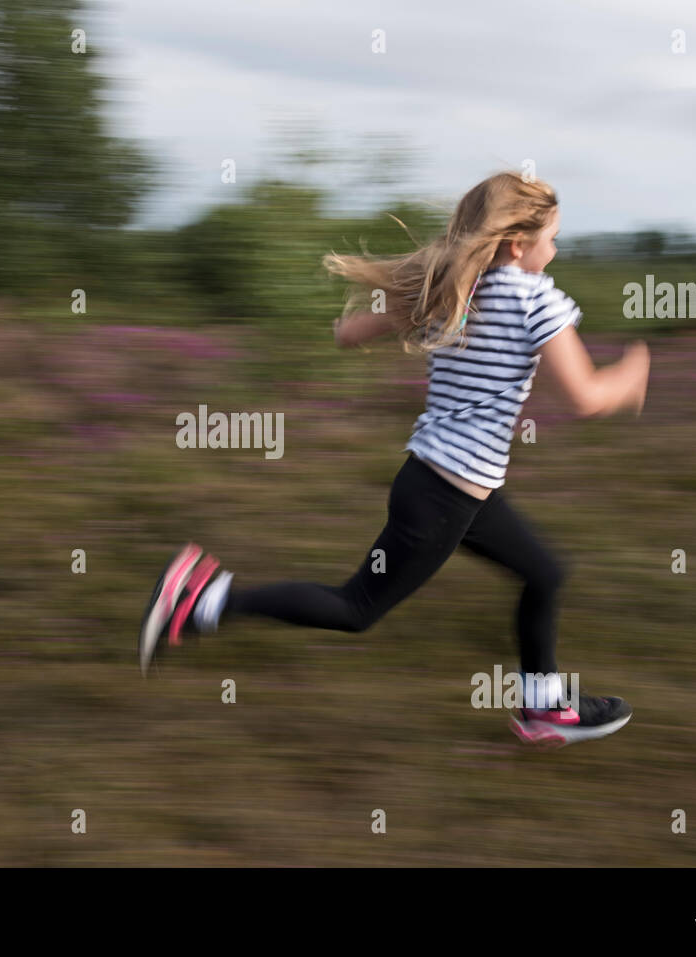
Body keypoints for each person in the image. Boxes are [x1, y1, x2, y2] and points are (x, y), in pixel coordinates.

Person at [138, 171, 651, 745]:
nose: (554, 251)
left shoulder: (452, 285)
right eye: (551, 238)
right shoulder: (535, 299)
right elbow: (585, 399)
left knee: (544, 573)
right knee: (356, 608)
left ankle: (544, 708)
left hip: (446, 486)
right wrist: (631, 376)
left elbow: (349, 334)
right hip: (446, 497)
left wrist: (381, 318)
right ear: (516, 243)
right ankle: (205, 597)